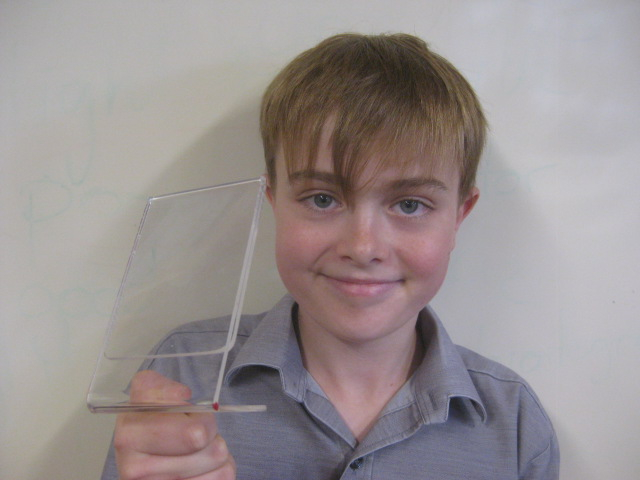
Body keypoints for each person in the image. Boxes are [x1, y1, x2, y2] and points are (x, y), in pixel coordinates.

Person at [101, 33, 559, 479]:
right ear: (273, 199)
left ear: (460, 215)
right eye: (322, 199)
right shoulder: (183, 373)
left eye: (409, 205)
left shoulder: (515, 425)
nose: (362, 248)